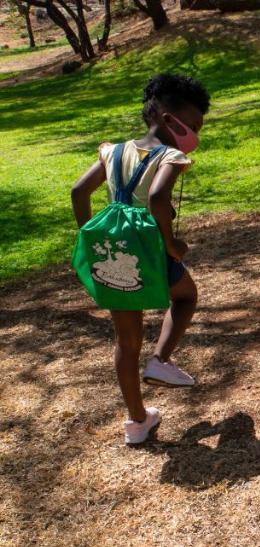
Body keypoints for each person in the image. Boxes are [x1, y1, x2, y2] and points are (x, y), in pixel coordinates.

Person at [70, 73, 208, 446]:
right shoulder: (171, 155)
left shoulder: (112, 151)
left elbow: (79, 191)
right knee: (185, 296)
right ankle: (161, 360)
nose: (195, 134)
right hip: (148, 248)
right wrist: (171, 244)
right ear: (168, 120)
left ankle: (137, 423)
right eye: (192, 125)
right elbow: (158, 200)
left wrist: (90, 238)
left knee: (126, 340)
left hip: (112, 252)